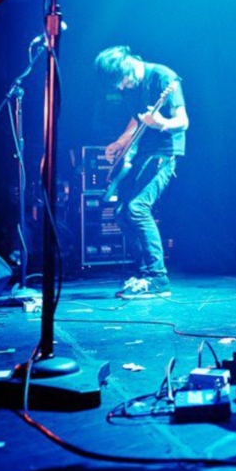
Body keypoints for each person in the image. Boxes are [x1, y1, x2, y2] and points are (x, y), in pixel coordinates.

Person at [94, 45, 189, 299]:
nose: (122, 87)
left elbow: (183, 121)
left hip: (165, 152)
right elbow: (136, 120)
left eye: (122, 81)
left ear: (128, 66)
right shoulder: (130, 87)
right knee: (121, 212)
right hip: (143, 152)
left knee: (137, 208)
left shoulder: (163, 77)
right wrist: (119, 142)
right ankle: (146, 273)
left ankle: (158, 278)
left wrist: (162, 123)